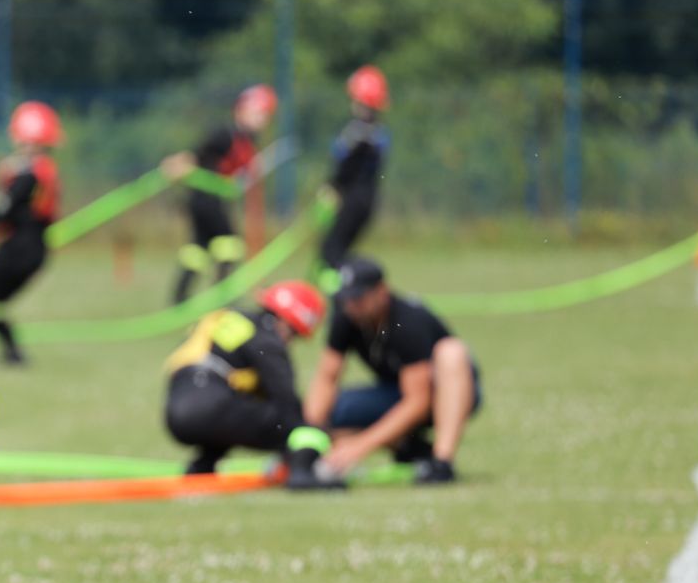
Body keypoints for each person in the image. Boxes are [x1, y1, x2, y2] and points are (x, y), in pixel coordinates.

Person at [302, 256, 479, 485]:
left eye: (358, 298)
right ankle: (410, 447)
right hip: (396, 391)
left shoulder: (409, 321)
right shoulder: (346, 315)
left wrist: (360, 447)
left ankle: (441, 463)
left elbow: (418, 401)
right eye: (345, 299)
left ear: (382, 292)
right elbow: (326, 377)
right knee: (336, 411)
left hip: (446, 393)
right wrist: (308, 436)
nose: (351, 306)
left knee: (451, 351)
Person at [162, 279, 341, 488]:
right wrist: (318, 437)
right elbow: (288, 404)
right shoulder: (267, 339)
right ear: (285, 323)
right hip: (209, 404)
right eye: (294, 334)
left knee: (238, 408)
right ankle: (302, 474)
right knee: (293, 425)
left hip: (178, 406)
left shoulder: (229, 317)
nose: (289, 342)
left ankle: (202, 469)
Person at [162, 84, 275, 304]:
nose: (262, 120)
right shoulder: (225, 134)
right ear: (241, 111)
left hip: (214, 199)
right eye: (258, 113)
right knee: (229, 244)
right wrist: (177, 164)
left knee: (198, 249)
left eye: (265, 115)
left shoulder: (249, 141)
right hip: (205, 198)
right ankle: (223, 299)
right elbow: (197, 154)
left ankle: (179, 299)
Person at [0, 99, 62, 365]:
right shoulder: (40, 171)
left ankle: (13, 352)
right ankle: (12, 351)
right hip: (28, 249)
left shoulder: (30, 175)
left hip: (22, 249)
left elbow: (4, 211)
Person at [317, 66, 390, 288]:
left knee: (331, 254)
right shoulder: (377, 132)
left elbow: (348, 166)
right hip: (366, 200)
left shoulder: (359, 132)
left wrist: (333, 186)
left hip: (353, 199)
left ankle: (347, 295)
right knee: (337, 251)